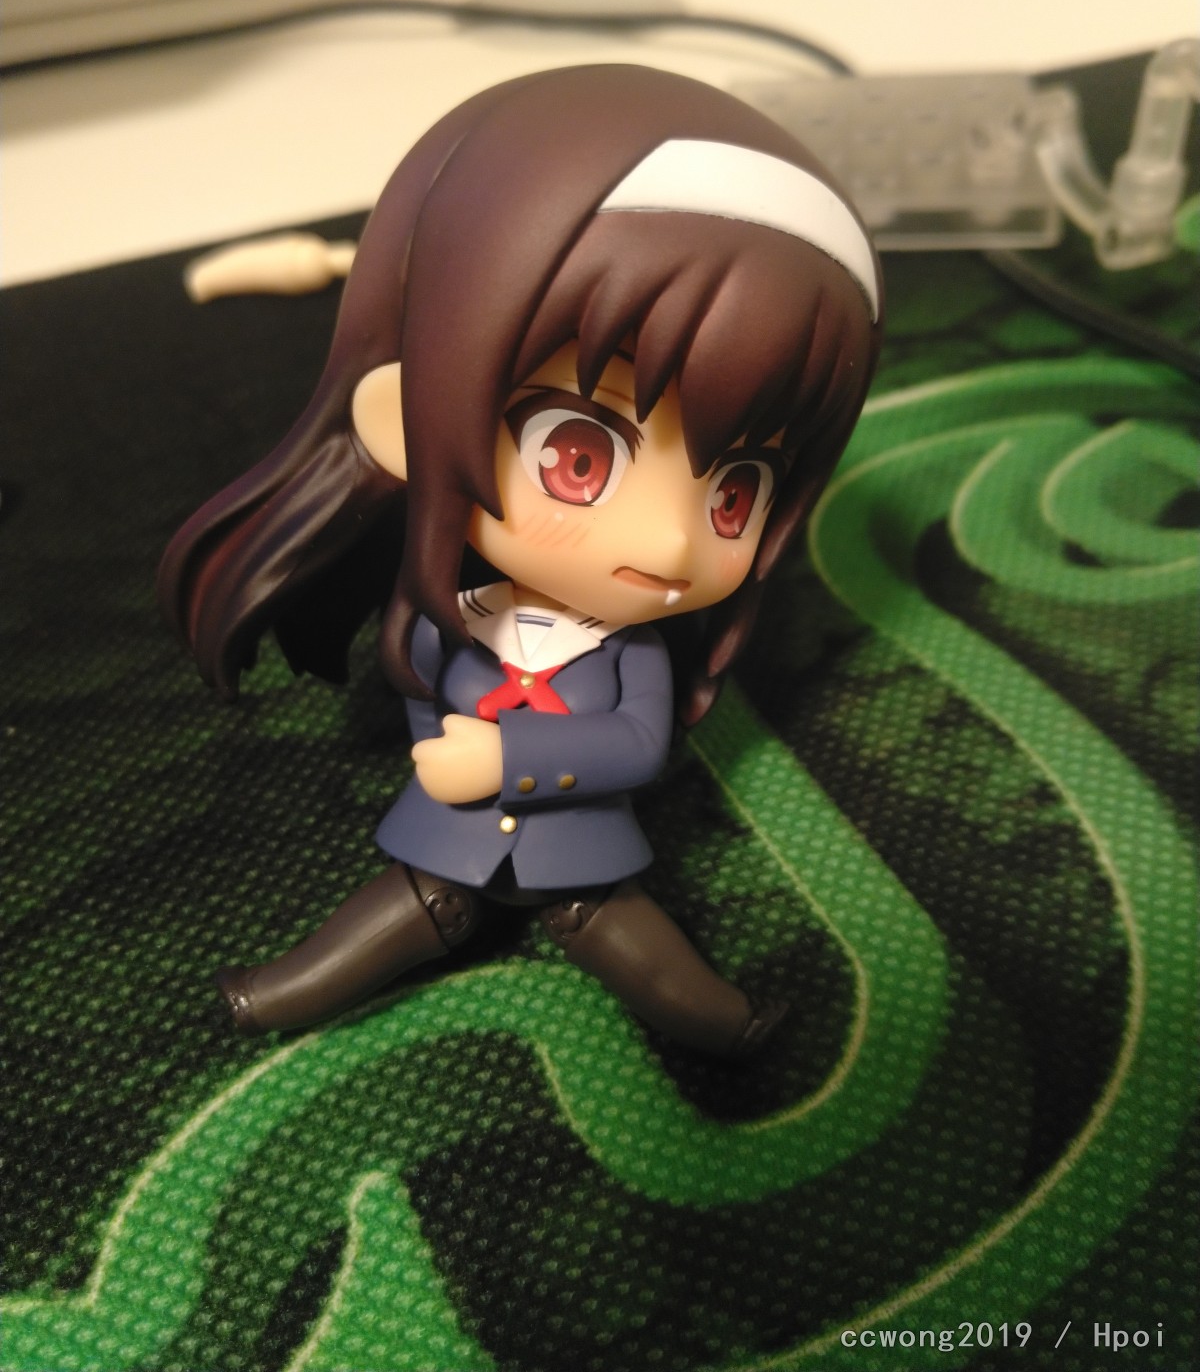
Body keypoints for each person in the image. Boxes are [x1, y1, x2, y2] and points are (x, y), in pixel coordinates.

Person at [159, 64, 883, 1056]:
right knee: (415, 909)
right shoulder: (451, 612)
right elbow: (424, 684)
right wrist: (442, 750)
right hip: (448, 843)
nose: (670, 543)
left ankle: (728, 1023)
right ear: (408, 415)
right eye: (580, 458)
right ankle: (270, 995)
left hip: (581, 854)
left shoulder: (632, 653)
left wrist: (505, 761)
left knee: (619, 932)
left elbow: (639, 745)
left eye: (734, 494)